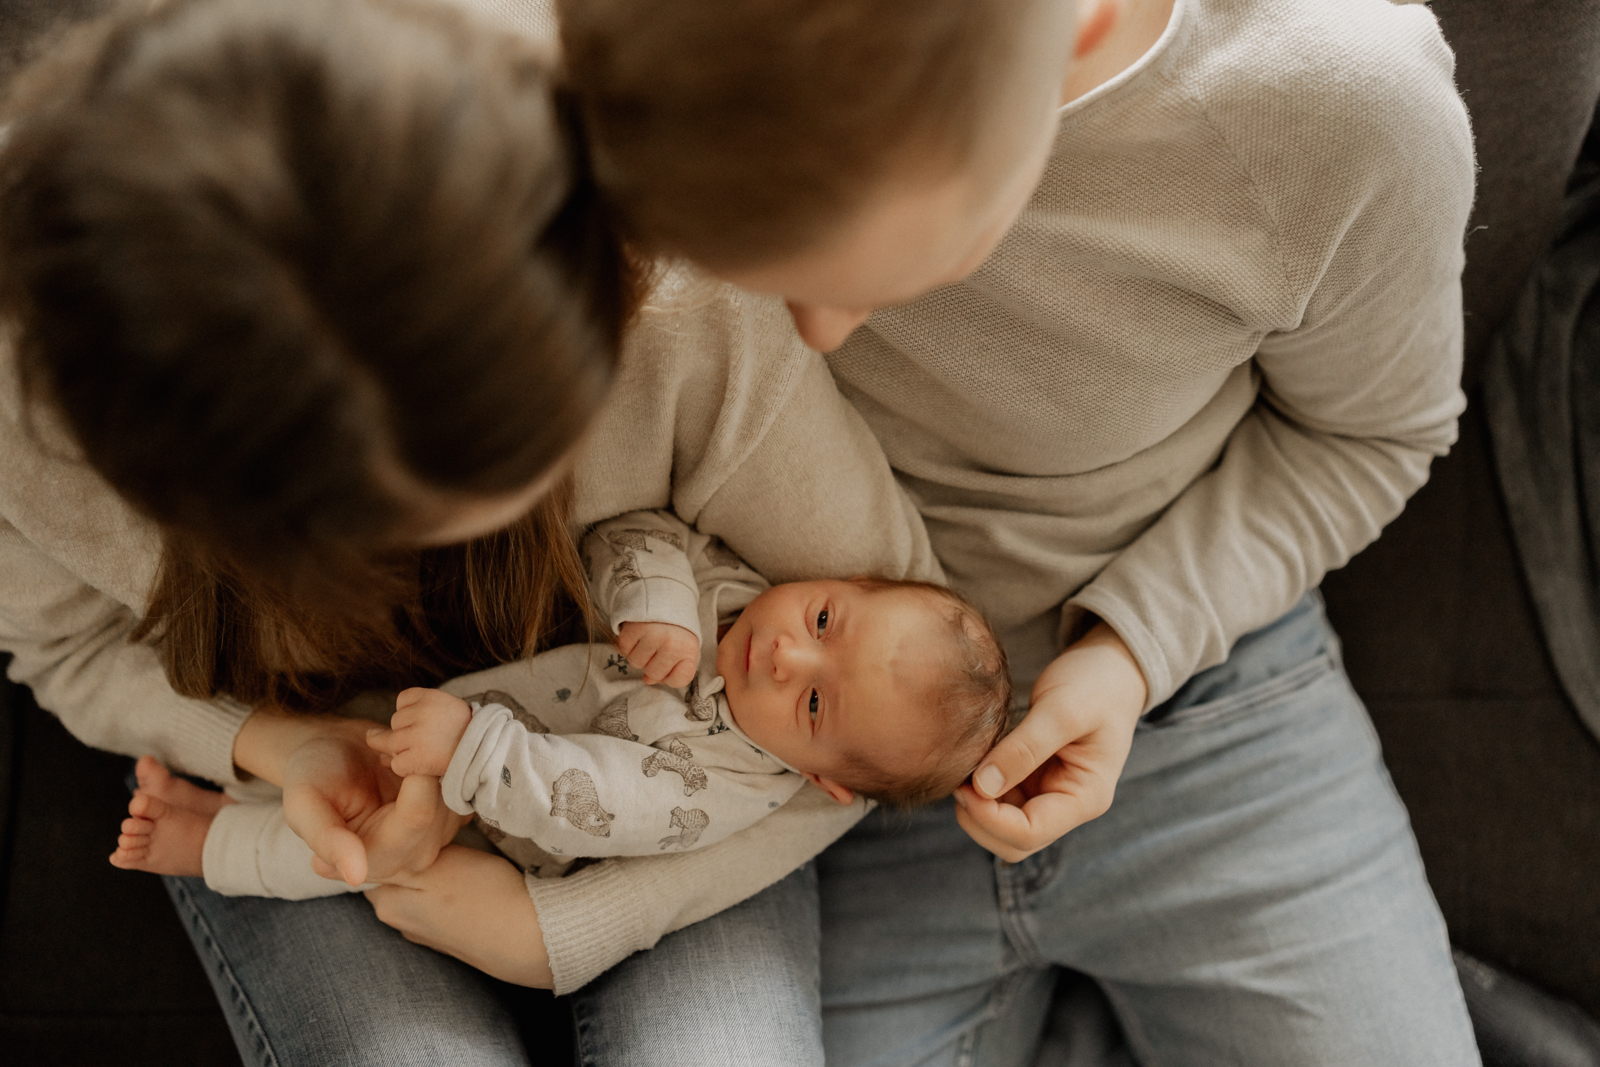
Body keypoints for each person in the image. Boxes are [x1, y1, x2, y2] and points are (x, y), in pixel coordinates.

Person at [520, 0, 1482, 1063]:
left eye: (869, 268)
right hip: (805, 764)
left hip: (1204, 703)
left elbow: (1372, 435)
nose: (817, 335)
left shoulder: (1335, 106)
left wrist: (1130, 654)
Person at [0, 0, 945, 1061]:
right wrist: (279, 743)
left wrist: (561, 927)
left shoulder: (679, 303)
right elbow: (66, 642)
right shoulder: (31, 405)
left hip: (670, 772)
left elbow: (881, 719)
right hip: (303, 799)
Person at [109, 509, 1008, 892]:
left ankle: (210, 844)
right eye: (824, 618)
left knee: (350, 855)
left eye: (814, 705)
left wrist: (473, 752)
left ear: (827, 783)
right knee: (342, 751)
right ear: (840, 582)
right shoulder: (739, 596)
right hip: (476, 697)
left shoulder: (724, 783)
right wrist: (654, 599)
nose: (784, 654)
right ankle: (239, 778)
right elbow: (641, 531)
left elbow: (597, 799)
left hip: (494, 817)